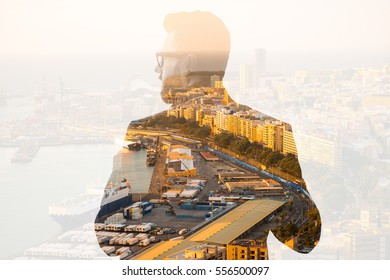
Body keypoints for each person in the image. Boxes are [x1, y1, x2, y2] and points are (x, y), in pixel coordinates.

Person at [95, 11, 321, 259]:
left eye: (164, 58)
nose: (157, 69)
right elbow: (305, 241)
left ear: (189, 63)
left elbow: (106, 237)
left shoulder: (142, 129)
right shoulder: (275, 128)